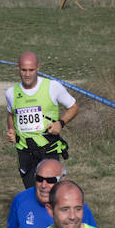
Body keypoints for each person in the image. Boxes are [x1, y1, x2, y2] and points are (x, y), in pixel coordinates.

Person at [5, 51, 80, 189]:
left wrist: (60, 123)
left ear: (38, 68)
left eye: (31, 70)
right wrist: (11, 130)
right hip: (25, 152)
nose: (27, 74)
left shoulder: (53, 87)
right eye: (24, 70)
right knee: (31, 192)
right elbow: (11, 114)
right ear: (18, 68)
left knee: (50, 192)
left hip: (48, 150)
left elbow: (74, 107)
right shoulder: (11, 92)